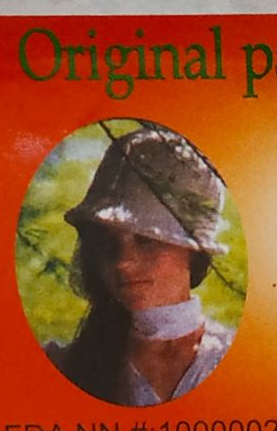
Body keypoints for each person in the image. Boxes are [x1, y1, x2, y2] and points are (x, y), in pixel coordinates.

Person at [48, 123, 236, 407]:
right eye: (107, 242)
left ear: (193, 251)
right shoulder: (63, 366)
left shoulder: (237, 357)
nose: (123, 262)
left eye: (146, 240)